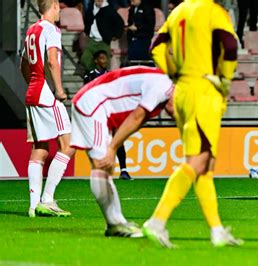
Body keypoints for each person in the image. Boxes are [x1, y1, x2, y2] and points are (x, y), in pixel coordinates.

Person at [145, 0, 242, 248]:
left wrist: (174, 72)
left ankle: (217, 230)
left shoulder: (177, 11)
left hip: (183, 91)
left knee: (205, 164)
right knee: (197, 161)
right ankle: (157, 221)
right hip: (204, 90)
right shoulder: (213, 11)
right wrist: (225, 79)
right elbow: (230, 46)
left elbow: (155, 47)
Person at [71, 66, 174, 237]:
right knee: (101, 164)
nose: (177, 116)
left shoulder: (161, 84)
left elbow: (136, 120)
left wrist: (114, 145)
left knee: (104, 167)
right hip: (94, 106)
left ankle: (116, 223)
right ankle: (116, 224)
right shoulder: (164, 86)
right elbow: (136, 117)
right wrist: (112, 148)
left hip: (96, 105)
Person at [20, 0, 74, 218]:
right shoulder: (51, 29)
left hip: (33, 93)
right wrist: (59, 90)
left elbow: (23, 63)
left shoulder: (32, 30)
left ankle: (33, 207)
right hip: (45, 94)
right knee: (68, 145)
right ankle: (48, 199)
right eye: (58, 6)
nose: (60, 10)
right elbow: (52, 60)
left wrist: (33, 83)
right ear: (52, 5)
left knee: (40, 148)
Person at [83, 50, 133, 180]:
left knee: (118, 139)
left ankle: (124, 170)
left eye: (106, 58)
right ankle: (99, 170)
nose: (105, 61)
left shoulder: (111, 75)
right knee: (99, 141)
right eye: (102, 58)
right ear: (96, 61)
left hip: (110, 111)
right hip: (97, 112)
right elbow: (86, 92)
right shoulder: (90, 75)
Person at [81, 0, 124, 71]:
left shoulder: (109, 9)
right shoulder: (90, 7)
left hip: (104, 42)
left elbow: (120, 23)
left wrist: (116, 35)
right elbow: (87, 20)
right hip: (92, 41)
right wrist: (87, 31)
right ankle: (95, 73)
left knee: (104, 62)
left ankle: (100, 75)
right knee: (85, 59)